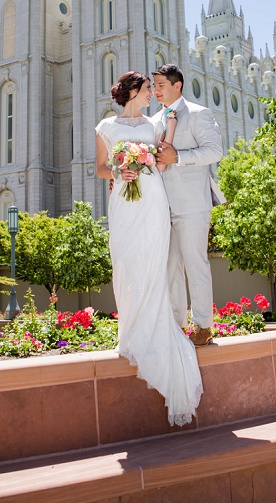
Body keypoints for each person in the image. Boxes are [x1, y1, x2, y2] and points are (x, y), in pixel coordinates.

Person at [96, 71, 203, 426]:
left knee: (153, 264)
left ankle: (155, 328)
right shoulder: (106, 128)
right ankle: (130, 330)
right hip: (124, 201)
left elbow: (159, 160)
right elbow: (100, 167)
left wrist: (168, 132)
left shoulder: (154, 124)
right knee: (126, 262)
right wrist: (118, 170)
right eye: (146, 90)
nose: (150, 95)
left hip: (152, 198)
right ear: (131, 92)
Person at [151, 64, 225, 346]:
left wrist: (178, 157)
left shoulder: (198, 113)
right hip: (161, 206)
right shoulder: (154, 119)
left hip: (193, 204)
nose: (156, 90)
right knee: (169, 266)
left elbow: (215, 151)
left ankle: (204, 326)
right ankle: (177, 325)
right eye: (154, 86)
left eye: (160, 85)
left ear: (177, 85)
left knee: (195, 263)